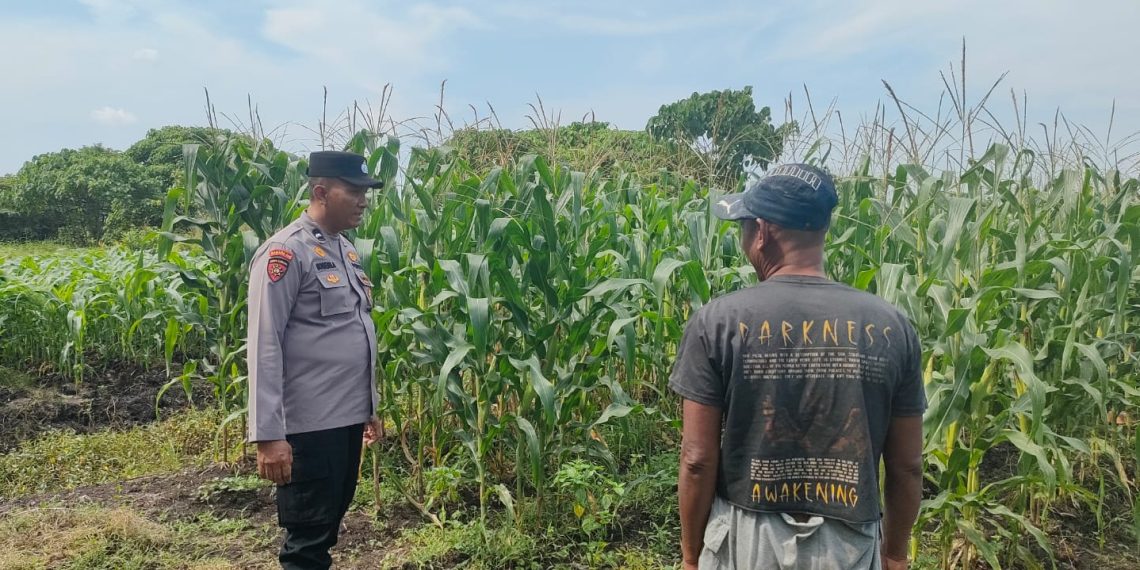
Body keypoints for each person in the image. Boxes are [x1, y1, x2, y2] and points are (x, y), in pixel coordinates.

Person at [669, 163, 925, 570]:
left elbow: (697, 458)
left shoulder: (717, 322)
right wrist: (894, 554)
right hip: (848, 541)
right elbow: (907, 465)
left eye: (744, 227)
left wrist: (689, 556)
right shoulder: (891, 327)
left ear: (763, 232)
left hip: (745, 538)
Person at [247, 150, 386, 569]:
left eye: (367, 192)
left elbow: (356, 331)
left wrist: (370, 408)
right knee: (307, 542)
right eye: (355, 191)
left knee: (327, 527)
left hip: (344, 419)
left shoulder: (345, 250)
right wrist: (268, 436)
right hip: (308, 425)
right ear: (321, 192)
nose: (363, 200)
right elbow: (263, 343)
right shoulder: (286, 253)